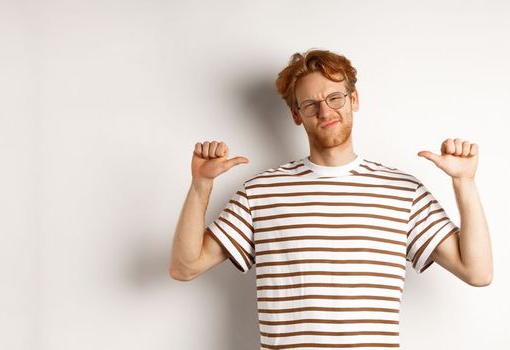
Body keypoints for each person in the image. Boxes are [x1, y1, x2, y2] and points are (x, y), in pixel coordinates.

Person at [169, 49, 493, 349]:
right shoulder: (260, 192)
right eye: (310, 104)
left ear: (354, 99)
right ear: (297, 114)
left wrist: (464, 182)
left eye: (335, 98)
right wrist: (201, 185)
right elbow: (185, 268)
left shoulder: (403, 191)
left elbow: (477, 273)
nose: (325, 111)